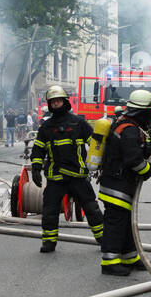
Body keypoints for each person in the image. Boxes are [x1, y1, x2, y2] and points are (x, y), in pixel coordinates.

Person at [30, 86, 104, 253]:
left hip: (78, 176)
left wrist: (101, 163)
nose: (56, 104)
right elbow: (38, 150)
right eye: (53, 102)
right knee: (49, 210)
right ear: (49, 105)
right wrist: (36, 168)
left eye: (59, 100)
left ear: (65, 101)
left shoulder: (79, 123)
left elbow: (94, 145)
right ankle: (49, 242)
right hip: (56, 177)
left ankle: (103, 239)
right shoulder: (46, 127)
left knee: (91, 208)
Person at [97, 88, 151, 276]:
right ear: (143, 112)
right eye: (150, 111)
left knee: (125, 223)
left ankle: (130, 257)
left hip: (118, 183)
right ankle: (109, 262)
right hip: (118, 186)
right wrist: (147, 170)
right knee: (116, 224)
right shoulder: (130, 130)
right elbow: (133, 160)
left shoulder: (125, 125)